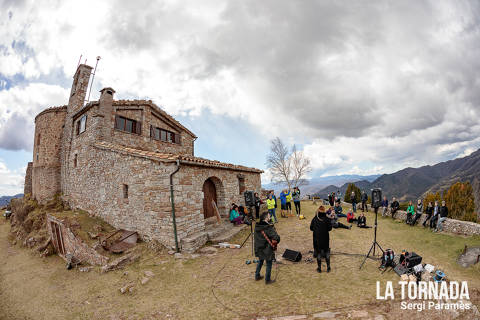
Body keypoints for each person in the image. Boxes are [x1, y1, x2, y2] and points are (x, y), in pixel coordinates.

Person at [254, 211, 280, 284]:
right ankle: (267, 280)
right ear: (266, 218)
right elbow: (276, 237)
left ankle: (257, 275)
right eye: (269, 216)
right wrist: (272, 228)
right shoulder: (267, 227)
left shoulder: (257, 226)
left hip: (259, 247)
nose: (270, 217)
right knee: (269, 264)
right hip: (267, 248)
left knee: (260, 261)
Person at [310, 206, 332, 273]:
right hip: (325, 238)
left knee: (319, 253)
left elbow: (311, 228)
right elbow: (330, 228)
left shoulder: (315, 219)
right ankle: (328, 267)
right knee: (326, 252)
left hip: (317, 239)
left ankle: (319, 268)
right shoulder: (327, 219)